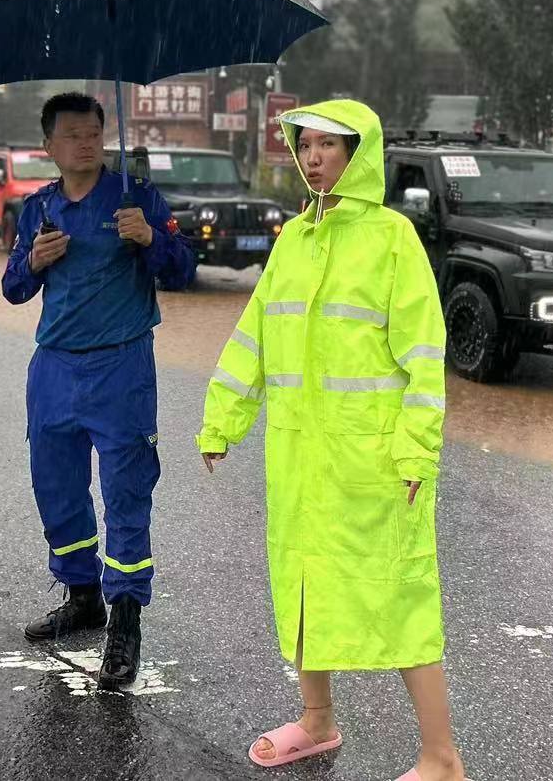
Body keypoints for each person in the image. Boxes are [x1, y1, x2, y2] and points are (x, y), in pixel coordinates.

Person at [197, 99, 464, 781]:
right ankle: (316, 722)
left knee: (400, 596)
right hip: (299, 457)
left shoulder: (392, 239)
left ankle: (442, 757)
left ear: (359, 153)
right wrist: (222, 419)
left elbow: (423, 357)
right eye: (305, 145)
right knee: (305, 586)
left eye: (328, 145)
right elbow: (254, 337)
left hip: (373, 460)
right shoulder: (294, 240)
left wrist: (414, 450)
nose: (312, 157)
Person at [2, 92, 197, 688]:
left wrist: (150, 240)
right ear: (50, 147)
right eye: (72, 135)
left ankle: (126, 619)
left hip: (122, 367)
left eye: (94, 133)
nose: (85, 143)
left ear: (105, 137)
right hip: (54, 369)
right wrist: (32, 261)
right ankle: (82, 595)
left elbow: (184, 269)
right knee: (57, 489)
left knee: (127, 492)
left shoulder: (138, 198)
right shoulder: (37, 209)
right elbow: (12, 289)